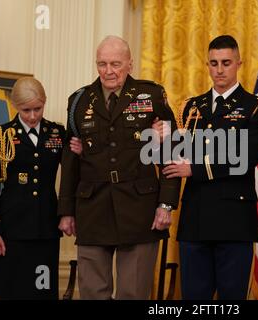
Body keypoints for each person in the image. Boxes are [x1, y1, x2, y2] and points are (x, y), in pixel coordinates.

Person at [57, 35, 180, 300]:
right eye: (102, 64)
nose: (108, 71)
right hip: (92, 208)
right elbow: (71, 159)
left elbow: (172, 152)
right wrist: (66, 210)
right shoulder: (79, 101)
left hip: (139, 208)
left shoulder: (152, 95)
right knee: (92, 292)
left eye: (115, 64)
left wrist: (166, 204)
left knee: (132, 292)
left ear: (130, 64)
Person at [161, 35, 258, 299]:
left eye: (226, 63)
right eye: (214, 63)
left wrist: (195, 169)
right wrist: (161, 139)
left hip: (233, 221)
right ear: (207, 65)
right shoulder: (190, 107)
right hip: (195, 220)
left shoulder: (256, 108)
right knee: (194, 298)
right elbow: (175, 157)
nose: (219, 70)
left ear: (238, 63)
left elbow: (244, 157)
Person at [0, 77, 66, 299]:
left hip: (45, 230)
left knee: (41, 292)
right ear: (15, 105)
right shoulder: (0, 135)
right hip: (10, 231)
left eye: (38, 108)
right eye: (27, 110)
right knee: (9, 292)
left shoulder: (57, 133)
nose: (33, 116)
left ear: (44, 102)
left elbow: (74, 175)